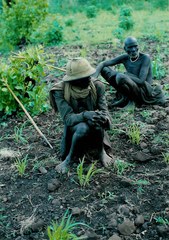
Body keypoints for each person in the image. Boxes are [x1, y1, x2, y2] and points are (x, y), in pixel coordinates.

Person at [50, 58, 113, 174]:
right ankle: (69, 159)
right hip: (74, 127)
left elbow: (105, 110)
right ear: (74, 80)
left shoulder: (97, 86)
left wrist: (103, 117)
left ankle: (101, 152)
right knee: (83, 127)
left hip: (94, 125)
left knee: (96, 121)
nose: (90, 78)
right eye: (85, 77)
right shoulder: (60, 90)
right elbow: (68, 119)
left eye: (89, 75)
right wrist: (85, 115)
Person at [94, 36, 166, 107]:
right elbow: (103, 64)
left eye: (135, 46)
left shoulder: (145, 58)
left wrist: (123, 74)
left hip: (144, 91)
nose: (133, 50)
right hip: (131, 86)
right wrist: (93, 79)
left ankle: (127, 99)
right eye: (130, 47)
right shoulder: (125, 58)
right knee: (105, 69)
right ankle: (125, 96)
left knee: (120, 77)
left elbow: (141, 81)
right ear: (125, 49)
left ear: (138, 46)